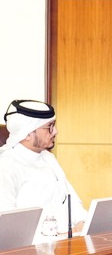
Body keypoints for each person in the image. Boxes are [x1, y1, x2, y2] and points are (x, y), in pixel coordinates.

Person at [0, 99, 87, 241]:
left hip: (69, 242)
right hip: (34, 251)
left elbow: (71, 200)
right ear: (27, 133)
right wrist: (54, 237)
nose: (56, 132)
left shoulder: (49, 158)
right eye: (49, 127)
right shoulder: (5, 165)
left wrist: (82, 223)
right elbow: (8, 224)